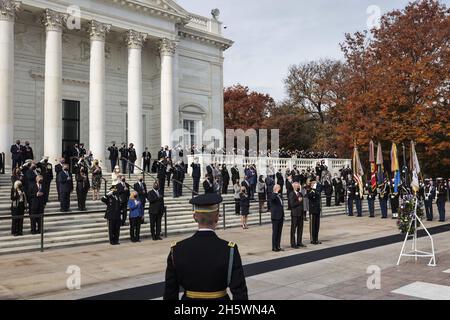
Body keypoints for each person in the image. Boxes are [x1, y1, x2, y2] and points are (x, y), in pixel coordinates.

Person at [163, 193, 248, 300]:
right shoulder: (229, 249)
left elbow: (170, 292)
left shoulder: (177, 249)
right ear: (217, 217)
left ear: (195, 217)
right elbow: (240, 292)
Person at [289, 182, 305, 248]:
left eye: (299, 186)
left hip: (300, 213)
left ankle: (299, 242)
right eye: (297, 186)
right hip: (295, 214)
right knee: (293, 229)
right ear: (294, 187)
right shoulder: (291, 194)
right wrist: (298, 201)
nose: (298, 187)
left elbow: (302, 204)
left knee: (300, 228)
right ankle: (293, 243)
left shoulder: (300, 193)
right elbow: (292, 204)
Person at [307, 178, 322, 245]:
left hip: (317, 210)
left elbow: (321, 187)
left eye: (316, 183)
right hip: (313, 211)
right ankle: (313, 239)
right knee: (313, 226)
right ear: (311, 184)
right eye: (314, 183)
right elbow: (310, 196)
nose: (315, 184)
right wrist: (312, 189)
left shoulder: (317, 190)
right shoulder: (310, 190)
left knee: (317, 226)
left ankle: (316, 239)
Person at [269, 185, 284, 252]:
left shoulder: (279, 195)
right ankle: (274, 247)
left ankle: (278, 246)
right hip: (275, 216)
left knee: (279, 232)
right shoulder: (272, 195)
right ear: (276, 189)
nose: (280, 189)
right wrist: (275, 192)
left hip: (280, 216)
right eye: (279, 188)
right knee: (275, 232)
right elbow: (272, 199)